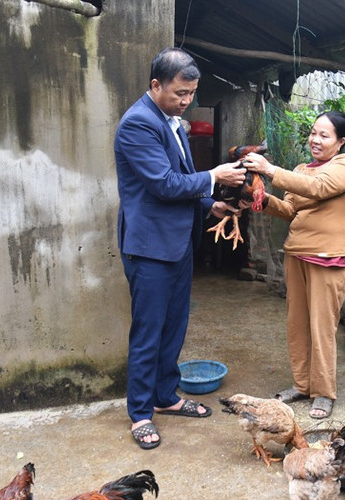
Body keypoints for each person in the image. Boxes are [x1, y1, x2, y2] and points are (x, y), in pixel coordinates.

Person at [114, 47, 246, 449]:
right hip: (150, 247)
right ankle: (140, 413)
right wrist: (214, 177)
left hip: (176, 243)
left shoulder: (170, 121)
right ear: (156, 85)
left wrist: (210, 205)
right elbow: (163, 184)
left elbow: (182, 181)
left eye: (191, 93)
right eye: (180, 93)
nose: (187, 101)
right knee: (149, 331)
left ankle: (165, 396)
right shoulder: (138, 123)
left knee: (173, 326)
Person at [242, 111, 345, 419]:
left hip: (329, 257)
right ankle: (302, 384)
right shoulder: (299, 170)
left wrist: (269, 170)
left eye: (324, 135)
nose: (315, 140)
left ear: (340, 141)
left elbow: (319, 188)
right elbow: (289, 210)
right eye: (313, 133)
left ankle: (323, 392)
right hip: (296, 254)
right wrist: (260, 199)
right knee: (297, 324)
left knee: (322, 327)